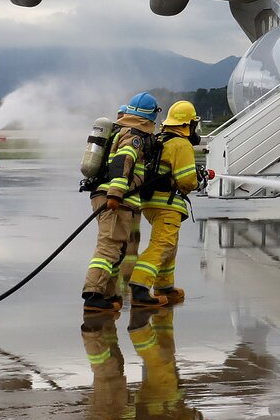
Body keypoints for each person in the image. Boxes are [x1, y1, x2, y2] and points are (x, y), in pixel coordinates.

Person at [82, 92, 160, 314]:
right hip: (114, 198)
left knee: (116, 247)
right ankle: (93, 295)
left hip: (111, 197)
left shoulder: (121, 130)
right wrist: (116, 194)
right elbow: (122, 162)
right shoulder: (133, 136)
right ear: (149, 116)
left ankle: (107, 295)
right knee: (108, 247)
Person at [129, 101, 202, 308]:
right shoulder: (181, 144)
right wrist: (199, 181)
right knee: (162, 245)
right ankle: (139, 288)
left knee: (170, 246)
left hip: (151, 202)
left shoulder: (161, 139)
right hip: (167, 204)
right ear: (187, 124)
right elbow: (187, 180)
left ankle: (164, 287)